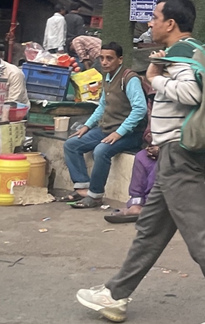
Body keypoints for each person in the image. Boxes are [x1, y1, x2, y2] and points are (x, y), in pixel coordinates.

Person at [76, 0, 205, 324]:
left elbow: (190, 93)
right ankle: (116, 294)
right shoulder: (192, 51)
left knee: (200, 236)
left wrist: (154, 76)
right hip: (176, 155)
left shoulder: (182, 54)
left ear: (171, 23)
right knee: (149, 232)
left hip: (180, 157)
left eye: (154, 17)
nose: (149, 24)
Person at [60, 42, 147, 209]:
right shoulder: (107, 77)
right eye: (102, 58)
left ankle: (95, 195)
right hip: (107, 129)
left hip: (131, 134)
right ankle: (82, 187)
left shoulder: (129, 79)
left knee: (101, 151)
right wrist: (86, 126)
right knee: (71, 144)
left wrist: (119, 133)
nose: (104, 62)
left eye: (109, 58)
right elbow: (102, 105)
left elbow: (140, 109)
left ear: (120, 60)